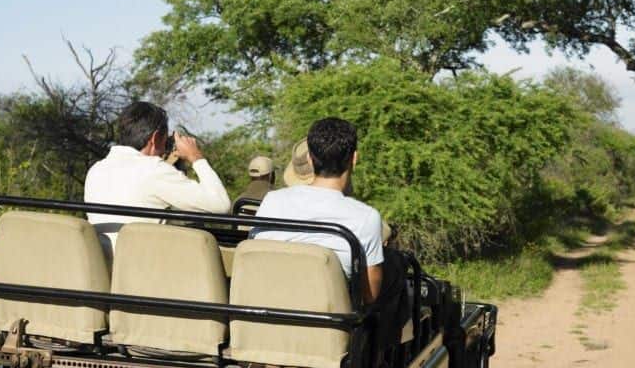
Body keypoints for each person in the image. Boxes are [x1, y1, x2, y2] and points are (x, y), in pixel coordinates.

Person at [252, 118, 405, 322]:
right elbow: (370, 294)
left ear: (309, 159)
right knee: (395, 266)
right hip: (327, 329)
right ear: (354, 159)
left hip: (266, 318)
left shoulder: (271, 201)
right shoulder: (366, 217)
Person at [84, 101, 231, 257]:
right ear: (155, 138)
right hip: (143, 269)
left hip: (103, 268)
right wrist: (196, 157)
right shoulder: (154, 170)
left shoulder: (96, 169)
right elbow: (220, 204)